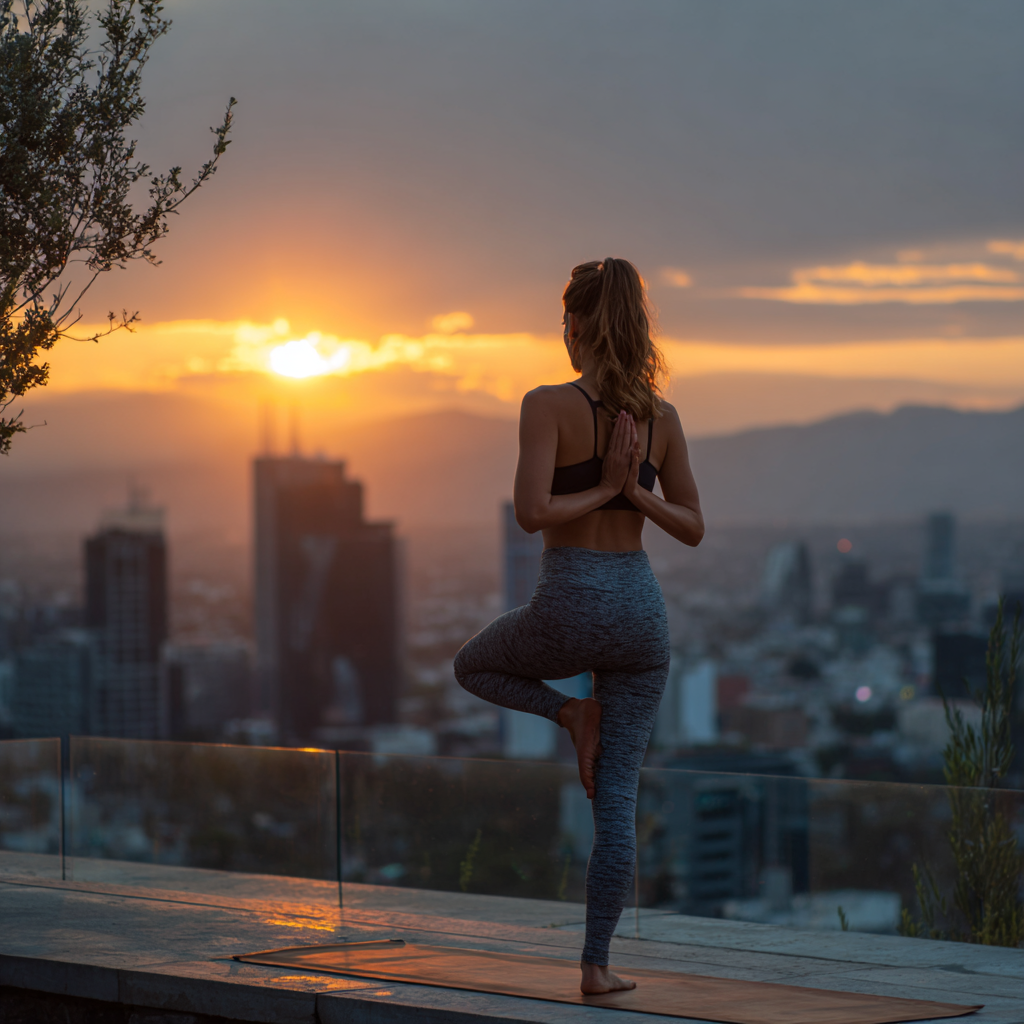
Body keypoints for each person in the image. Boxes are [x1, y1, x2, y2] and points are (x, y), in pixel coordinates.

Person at [454, 257, 703, 994]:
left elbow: (532, 513)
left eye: (564, 319)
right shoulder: (663, 417)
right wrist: (633, 495)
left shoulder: (547, 404)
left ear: (581, 324)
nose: (561, 333)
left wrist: (605, 488)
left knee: (475, 664)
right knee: (617, 801)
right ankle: (595, 966)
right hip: (641, 616)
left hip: (571, 601)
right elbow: (691, 524)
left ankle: (569, 711)